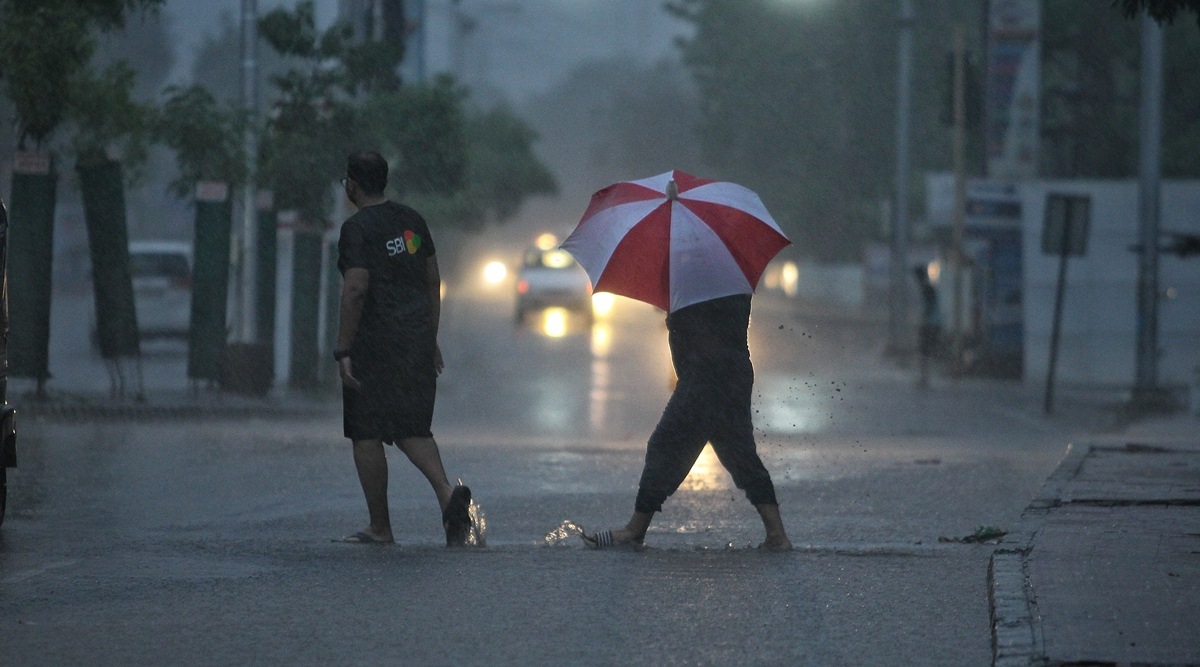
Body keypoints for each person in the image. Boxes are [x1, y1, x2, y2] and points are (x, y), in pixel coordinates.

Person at [332, 150, 472, 547]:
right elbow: (433, 280)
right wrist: (430, 338)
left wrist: (343, 350)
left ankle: (381, 527)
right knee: (412, 426)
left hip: (374, 345)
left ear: (353, 185)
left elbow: (356, 288)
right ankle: (447, 495)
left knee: (366, 432)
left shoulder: (357, 229)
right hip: (414, 341)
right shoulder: (411, 221)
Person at [583, 294, 793, 551]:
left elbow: (699, 329)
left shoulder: (696, 285)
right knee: (740, 454)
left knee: (665, 446)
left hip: (704, 378)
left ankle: (634, 530)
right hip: (731, 373)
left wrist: (673, 309)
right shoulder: (730, 280)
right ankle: (777, 535)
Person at [914, 265, 942, 389]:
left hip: (930, 324)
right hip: (933, 323)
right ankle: (925, 378)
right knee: (927, 352)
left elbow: (929, 308)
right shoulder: (928, 287)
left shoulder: (926, 288)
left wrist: (923, 322)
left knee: (925, 352)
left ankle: (925, 379)